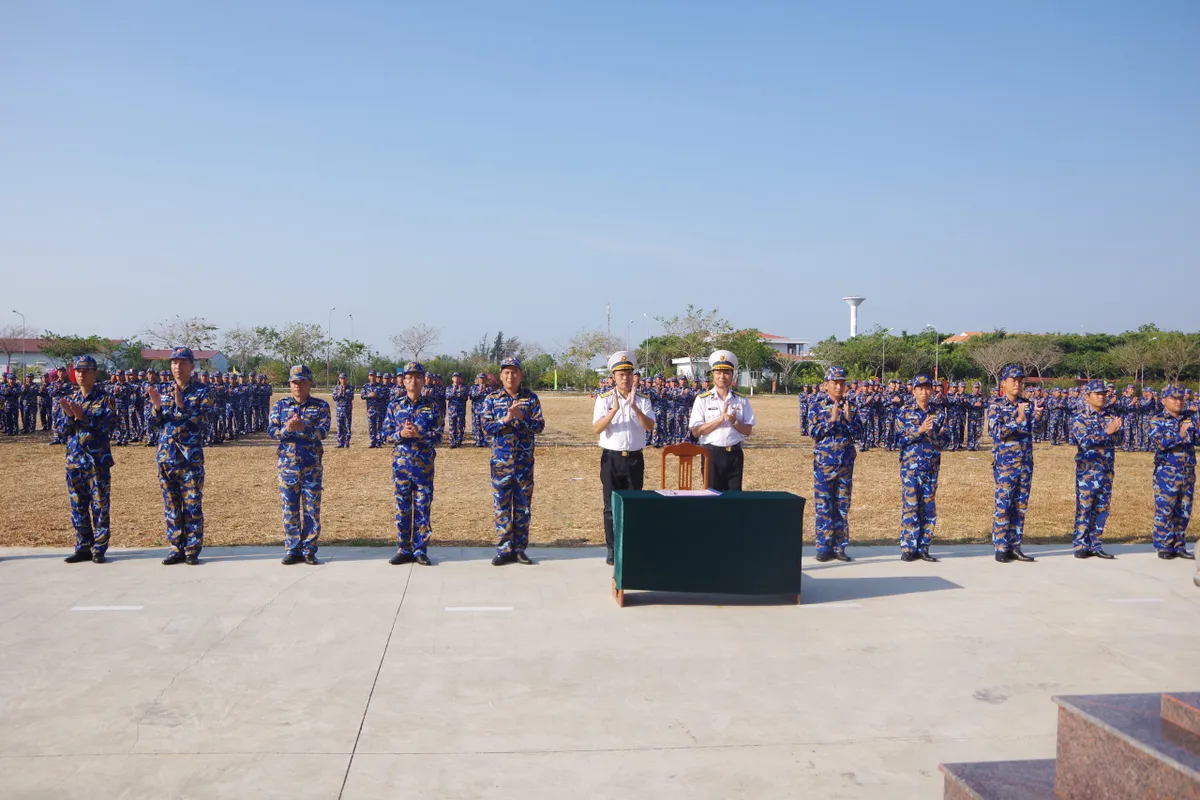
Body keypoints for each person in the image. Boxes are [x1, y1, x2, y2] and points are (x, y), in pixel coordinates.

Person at [147, 347, 212, 566]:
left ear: (192, 366)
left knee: (192, 504)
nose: (177, 367)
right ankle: (176, 547)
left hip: (189, 458)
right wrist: (156, 408)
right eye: (174, 363)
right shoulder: (162, 390)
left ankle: (192, 549)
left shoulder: (203, 392)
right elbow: (152, 425)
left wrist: (183, 407)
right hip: (166, 456)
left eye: (182, 363)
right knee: (171, 505)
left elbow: (206, 423)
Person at [593, 351, 655, 566]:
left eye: (628, 373)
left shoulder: (643, 400)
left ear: (633, 376)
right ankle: (611, 548)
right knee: (610, 506)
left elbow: (650, 426)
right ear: (613, 377)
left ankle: (629, 545)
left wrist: (635, 408)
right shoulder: (604, 399)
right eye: (620, 374)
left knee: (633, 504)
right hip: (611, 458)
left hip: (635, 459)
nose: (625, 378)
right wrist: (613, 412)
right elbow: (596, 428)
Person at [483, 357, 546, 565]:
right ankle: (504, 549)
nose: (511, 376)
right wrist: (505, 420)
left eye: (515, 372)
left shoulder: (530, 398)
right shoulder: (492, 399)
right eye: (507, 372)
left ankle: (520, 549)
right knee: (501, 506)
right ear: (501, 376)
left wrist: (521, 418)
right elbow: (485, 427)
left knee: (522, 507)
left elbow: (539, 426)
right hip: (501, 464)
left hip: (523, 464)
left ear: (521, 375)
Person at [268, 365, 331, 565]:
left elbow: (323, 432)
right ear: (289, 384)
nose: (298, 386)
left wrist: (304, 428)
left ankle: (309, 549)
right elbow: (271, 431)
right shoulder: (280, 405)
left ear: (309, 383)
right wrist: (287, 428)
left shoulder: (320, 406)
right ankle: (293, 549)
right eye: (295, 382)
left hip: (311, 466)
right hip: (287, 466)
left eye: (302, 382)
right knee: (290, 507)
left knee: (312, 508)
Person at [59, 356, 116, 564]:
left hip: (96, 461)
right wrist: (68, 415)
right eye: (77, 371)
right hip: (74, 460)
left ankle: (99, 547)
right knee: (78, 505)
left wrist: (83, 417)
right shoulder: (71, 398)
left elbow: (108, 426)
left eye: (85, 371)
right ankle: (83, 546)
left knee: (99, 505)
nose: (80, 375)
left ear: (95, 373)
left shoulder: (104, 398)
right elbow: (60, 432)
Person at [384, 362, 440, 566]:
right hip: (401, 467)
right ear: (403, 381)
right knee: (402, 508)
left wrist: (419, 433)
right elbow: (385, 435)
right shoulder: (394, 405)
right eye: (409, 377)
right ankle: (403, 548)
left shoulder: (432, 406)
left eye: (418, 377)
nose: (413, 381)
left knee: (423, 508)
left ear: (424, 381)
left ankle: (420, 549)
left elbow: (439, 436)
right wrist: (400, 434)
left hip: (423, 467)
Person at [988, 364, 1042, 563]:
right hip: (1006, 463)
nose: (1018, 384)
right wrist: (1018, 419)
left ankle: (1015, 545)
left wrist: (1036, 417)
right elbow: (996, 432)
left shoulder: (1027, 404)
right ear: (1004, 384)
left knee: (1020, 506)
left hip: (1025, 462)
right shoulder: (996, 405)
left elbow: (1036, 431)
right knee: (1003, 505)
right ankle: (1001, 547)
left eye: (1020, 381)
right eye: (1014, 380)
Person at [807, 366, 859, 562]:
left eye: (842, 383)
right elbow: (813, 431)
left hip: (845, 464)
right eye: (835, 383)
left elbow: (860, 432)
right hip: (824, 465)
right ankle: (823, 546)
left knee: (842, 506)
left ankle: (839, 546)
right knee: (824, 505)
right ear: (826, 384)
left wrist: (848, 420)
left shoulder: (851, 405)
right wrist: (832, 420)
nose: (838, 386)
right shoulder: (817, 405)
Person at [688, 350, 756, 491]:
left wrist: (735, 422)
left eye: (726, 373)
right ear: (712, 375)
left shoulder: (741, 400)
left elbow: (748, 431)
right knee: (712, 497)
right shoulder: (702, 400)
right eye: (718, 373)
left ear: (732, 375)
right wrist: (719, 420)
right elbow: (696, 431)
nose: (722, 377)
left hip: (734, 455)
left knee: (734, 499)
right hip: (711, 454)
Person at [895, 374, 946, 562]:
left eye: (927, 388)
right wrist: (919, 431)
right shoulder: (904, 412)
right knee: (910, 506)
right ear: (914, 391)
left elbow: (944, 441)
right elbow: (898, 439)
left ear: (932, 391)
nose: (924, 392)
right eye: (920, 388)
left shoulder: (939, 413)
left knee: (928, 508)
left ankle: (924, 547)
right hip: (910, 468)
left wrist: (932, 433)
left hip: (931, 467)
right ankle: (908, 547)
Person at [1070, 380, 1121, 560]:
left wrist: (1117, 430)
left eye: (1104, 394)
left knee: (1102, 508)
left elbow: (1119, 440)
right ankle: (1081, 544)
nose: (1101, 397)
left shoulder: (1110, 417)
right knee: (1084, 508)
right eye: (1097, 394)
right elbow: (1084, 441)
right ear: (1087, 396)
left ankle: (1096, 544)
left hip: (1106, 469)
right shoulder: (1080, 418)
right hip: (1088, 471)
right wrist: (1107, 432)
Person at [1148, 385, 1196, 561]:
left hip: (1187, 472)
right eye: (1174, 398)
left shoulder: (1189, 419)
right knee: (1166, 509)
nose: (1178, 401)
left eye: (1181, 398)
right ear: (1163, 401)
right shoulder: (1157, 420)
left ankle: (1179, 544)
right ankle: (1163, 545)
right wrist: (1181, 434)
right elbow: (1160, 443)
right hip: (1167, 473)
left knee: (1184, 510)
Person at [444, 372, 470, 448]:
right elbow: (447, 397)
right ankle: (452, 442)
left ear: (461, 379)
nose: (456, 379)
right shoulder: (449, 388)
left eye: (458, 377)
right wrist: (453, 391)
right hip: (452, 410)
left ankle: (458, 442)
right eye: (455, 377)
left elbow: (465, 397)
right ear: (452, 378)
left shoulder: (464, 387)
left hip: (460, 410)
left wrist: (460, 391)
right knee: (452, 426)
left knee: (460, 426)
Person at [332, 371, 355, 448]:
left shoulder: (350, 388)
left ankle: (347, 442)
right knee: (339, 427)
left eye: (344, 379)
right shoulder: (336, 388)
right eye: (341, 379)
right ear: (339, 379)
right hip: (339, 410)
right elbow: (334, 398)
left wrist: (344, 392)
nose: (343, 380)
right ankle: (340, 443)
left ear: (347, 379)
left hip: (347, 410)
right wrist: (340, 393)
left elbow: (351, 397)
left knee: (347, 426)